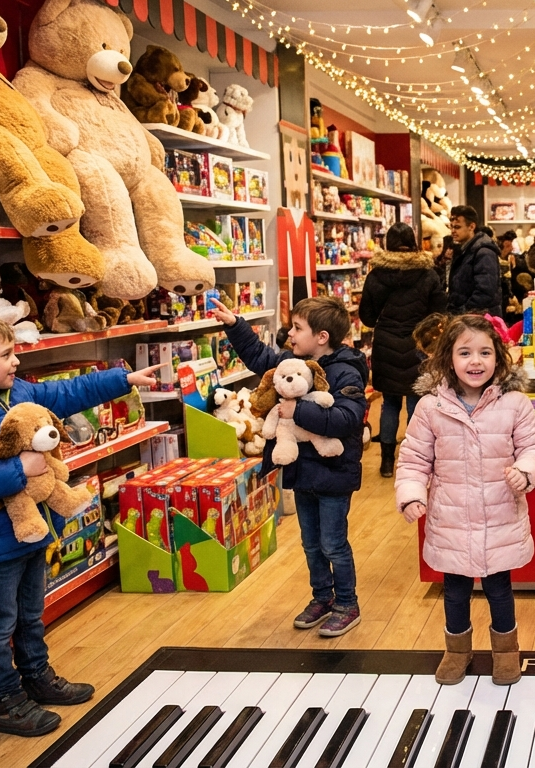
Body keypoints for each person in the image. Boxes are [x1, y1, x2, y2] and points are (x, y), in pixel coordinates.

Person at [0, 315, 162, 736]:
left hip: (33, 531)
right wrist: (20, 469)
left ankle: (36, 676)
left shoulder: (16, 392)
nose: (16, 361)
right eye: (6, 354)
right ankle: (5, 701)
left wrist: (122, 380)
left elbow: (65, 392)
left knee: (31, 615)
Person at [395, 314, 535, 687]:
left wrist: (526, 470)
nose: (475, 361)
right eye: (465, 353)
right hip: (451, 519)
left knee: (499, 588)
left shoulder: (514, 404)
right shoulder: (431, 408)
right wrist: (412, 494)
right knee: (455, 590)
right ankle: (457, 651)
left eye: (484, 352)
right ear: (448, 358)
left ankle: (506, 653)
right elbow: (414, 459)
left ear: (499, 356)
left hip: (500, 515)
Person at [211, 296, 369, 637]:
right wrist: (235, 325)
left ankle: (347, 603)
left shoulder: (346, 372)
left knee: (333, 544)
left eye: (298, 328)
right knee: (310, 543)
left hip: (334, 473)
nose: (291, 334)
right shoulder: (291, 362)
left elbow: (347, 419)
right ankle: (322, 597)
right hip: (303, 473)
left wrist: (298, 411)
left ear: (322, 337)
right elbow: (260, 357)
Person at [359, 221, 448, 478]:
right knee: (416, 403)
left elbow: (367, 317)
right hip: (418, 344)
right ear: (414, 242)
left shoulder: (376, 275)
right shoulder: (428, 274)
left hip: (385, 343)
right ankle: (414, 459)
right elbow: (438, 313)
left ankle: (387, 462)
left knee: (389, 402)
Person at [446, 205, 503, 316]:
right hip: (470, 318)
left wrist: (463, 313)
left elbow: (485, 292)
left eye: (457, 227)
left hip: (478, 320)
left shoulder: (484, 252)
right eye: (451, 227)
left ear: (471, 226)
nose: (453, 231)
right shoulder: (465, 250)